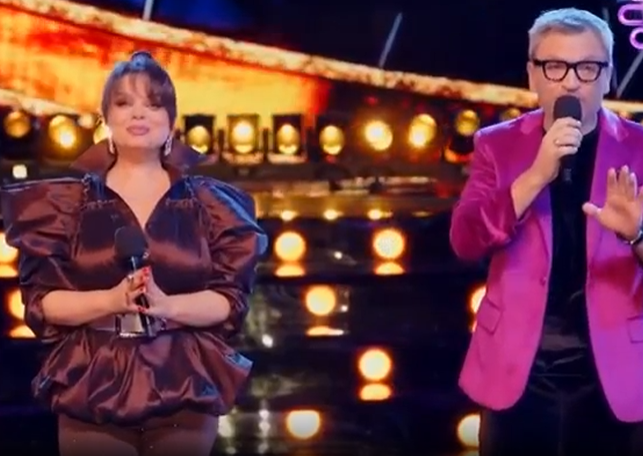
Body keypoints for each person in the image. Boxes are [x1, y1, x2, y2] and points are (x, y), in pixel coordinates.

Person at [0, 51, 268, 456]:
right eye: (124, 103)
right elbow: (43, 302)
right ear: (105, 118)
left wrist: (167, 306)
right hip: (93, 376)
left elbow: (229, 301)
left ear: (171, 120)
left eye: (153, 104)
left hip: (183, 376)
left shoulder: (211, 204)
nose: (139, 113)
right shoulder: (65, 205)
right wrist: (111, 300)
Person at [450, 8, 643, 456]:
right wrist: (535, 176)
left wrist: (636, 235)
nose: (571, 82)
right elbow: (465, 242)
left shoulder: (638, 148)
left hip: (617, 372)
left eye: (587, 67)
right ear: (532, 75)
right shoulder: (497, 144)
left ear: (608, 76)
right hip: (517, 371)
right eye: (555, 66)